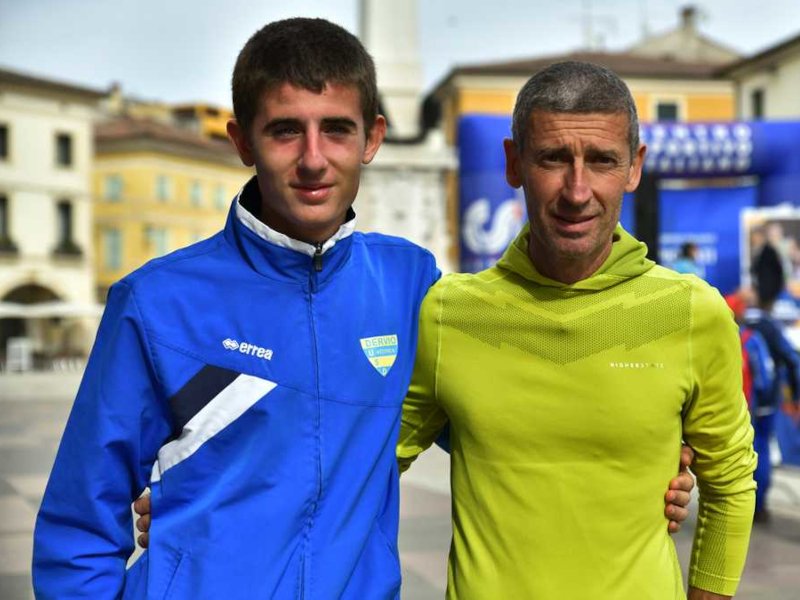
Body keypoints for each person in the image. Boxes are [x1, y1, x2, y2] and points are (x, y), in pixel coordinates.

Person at [36, 20, 694, 599]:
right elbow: (78, 529)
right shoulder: (156, 303)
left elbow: (505, 424)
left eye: (337, 130)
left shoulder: (411, 284)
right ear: (242, 141)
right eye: (285, 131)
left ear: (372, 137)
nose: (313, 159)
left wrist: (648, 463)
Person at [396, 61, 756, 599]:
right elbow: (365, 470)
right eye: (553, 158)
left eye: (603, 160)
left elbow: (730, 484)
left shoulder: (691, 313)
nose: (577, 190)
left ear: (634, 168)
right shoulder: (448, 313)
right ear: (514, 163)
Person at [744, 276, 800, 522]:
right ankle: (758, 505)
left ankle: (738, 504)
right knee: (761, 446)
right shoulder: (770, 326)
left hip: (739, 398)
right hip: (765, 400)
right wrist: (795, 395)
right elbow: (791, 359)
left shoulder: (738, 323)